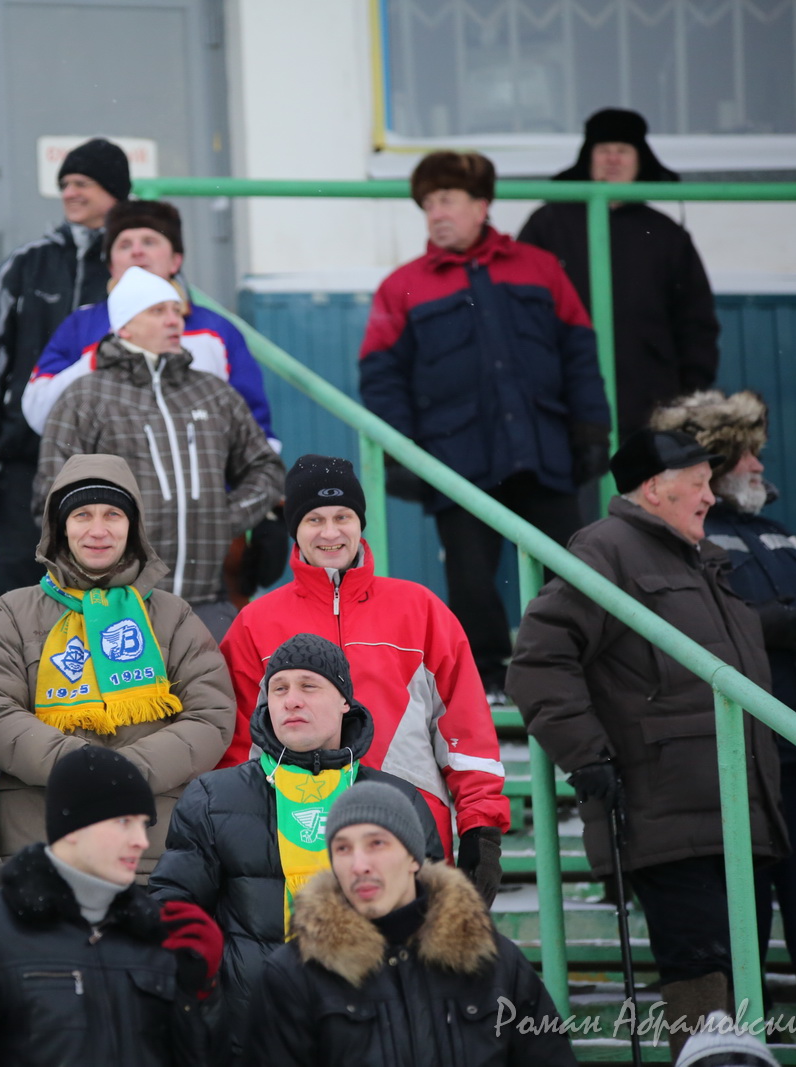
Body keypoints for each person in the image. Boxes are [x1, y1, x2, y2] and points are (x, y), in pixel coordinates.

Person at [508, 427, 789, 1058]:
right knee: (703, 981)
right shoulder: (606, 548)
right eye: (698, 483)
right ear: (655, 489)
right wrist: (587, 755)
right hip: (667, 813)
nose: (711, 496)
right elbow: (538, 661)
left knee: (740, 984)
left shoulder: (700, 556)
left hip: (736, 812)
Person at [359, 150, 611, 696]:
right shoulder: (402, 285)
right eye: (428, 205)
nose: (436, 214)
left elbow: (578, 353)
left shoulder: (539, 268)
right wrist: (401, 452)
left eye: (446, 200)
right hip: (456, 460)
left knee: (567, 570)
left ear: (481, 205)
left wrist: (592, 427)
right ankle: (490, 680)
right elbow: (381, 378)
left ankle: (573, 672)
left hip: (542, 449)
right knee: (471, 579)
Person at [650, 389, 796, 1045]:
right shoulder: (672, 539)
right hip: (726, 768)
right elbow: (662, 635)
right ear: (713, 462)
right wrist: (754, 627)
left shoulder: (785, 533)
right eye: (747, 454)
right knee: (738, 918)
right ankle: (741, 1038)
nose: (760, 466)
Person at [150, 633, 444, 1058]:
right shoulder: (213, 797)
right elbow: (176, 913)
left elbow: (430, 923)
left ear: (344, 701)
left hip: (374, 1038)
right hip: (250, 1039)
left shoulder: (395, 801)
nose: (291, 700)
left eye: (309, 686)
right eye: (279, 688)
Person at [217, 455, 509, 866]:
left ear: (360, 523)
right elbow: (236, 749)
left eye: (343, 516)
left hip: (411, 835)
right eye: (314, 519)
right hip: (294, 840)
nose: (330, 532)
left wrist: (481, 826)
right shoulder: (255, 622)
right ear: (295, 530)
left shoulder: (420, 609)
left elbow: (466, 733)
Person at [0, 453, 234, 873]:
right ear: (61, 527)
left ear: (133, 526)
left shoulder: (174, 616)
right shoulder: (13, 613)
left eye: (113, 514)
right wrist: (82, 768)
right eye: (82, 515)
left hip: (151, 851)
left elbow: (211, 717)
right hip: (40, 847)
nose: (98, 530)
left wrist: (128, 771)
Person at [0, 746, 222, 1067]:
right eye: (124, 822)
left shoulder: (153, 931)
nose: (141, 841)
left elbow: (202, 1057)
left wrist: (200, 992)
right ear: (74, 827)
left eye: (143, 825)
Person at [243, 781, 575, 1065]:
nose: (359, 865)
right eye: (342, 849)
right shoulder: (294, 974)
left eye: (377, 843)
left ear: (414, 858)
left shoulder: (495, 962)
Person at [34, 267, 284, 636]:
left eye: (176, 310)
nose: (174, 320)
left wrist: (227, 516)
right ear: (124, 326)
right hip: (114, 606)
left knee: (216, 676)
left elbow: (265, 467)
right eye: (158, 311)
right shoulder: (86, 397)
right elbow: (51, 494)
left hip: (208, 603)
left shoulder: (212, 393)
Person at [0, 137, 130, 599]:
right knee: (22, 593)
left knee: (108, 591)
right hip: (25, 461)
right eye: (65, 184)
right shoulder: (25, 264)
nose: (69, 193)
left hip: (114, 463)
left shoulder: (135, 271)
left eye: (82, 183)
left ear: (114, 191)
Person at [519, 108, 719, 440]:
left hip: (650, 409)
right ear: (588, 158)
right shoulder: (548, 224)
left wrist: (685, 399)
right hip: (561, 406)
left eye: (623, 150)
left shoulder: (666, 234)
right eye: (603, 150)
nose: (613, 159)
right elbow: (518, 309)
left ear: (640, 161)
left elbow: (695, 323)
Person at [21, 198, 275, 447]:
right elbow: (39, 413)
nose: (137, 251)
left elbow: (255, 429)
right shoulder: (81, 325)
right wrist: (96, 361)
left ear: (176, 260)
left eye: (149, 241)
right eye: (124, 245)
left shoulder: (215, 330)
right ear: (111, 265)